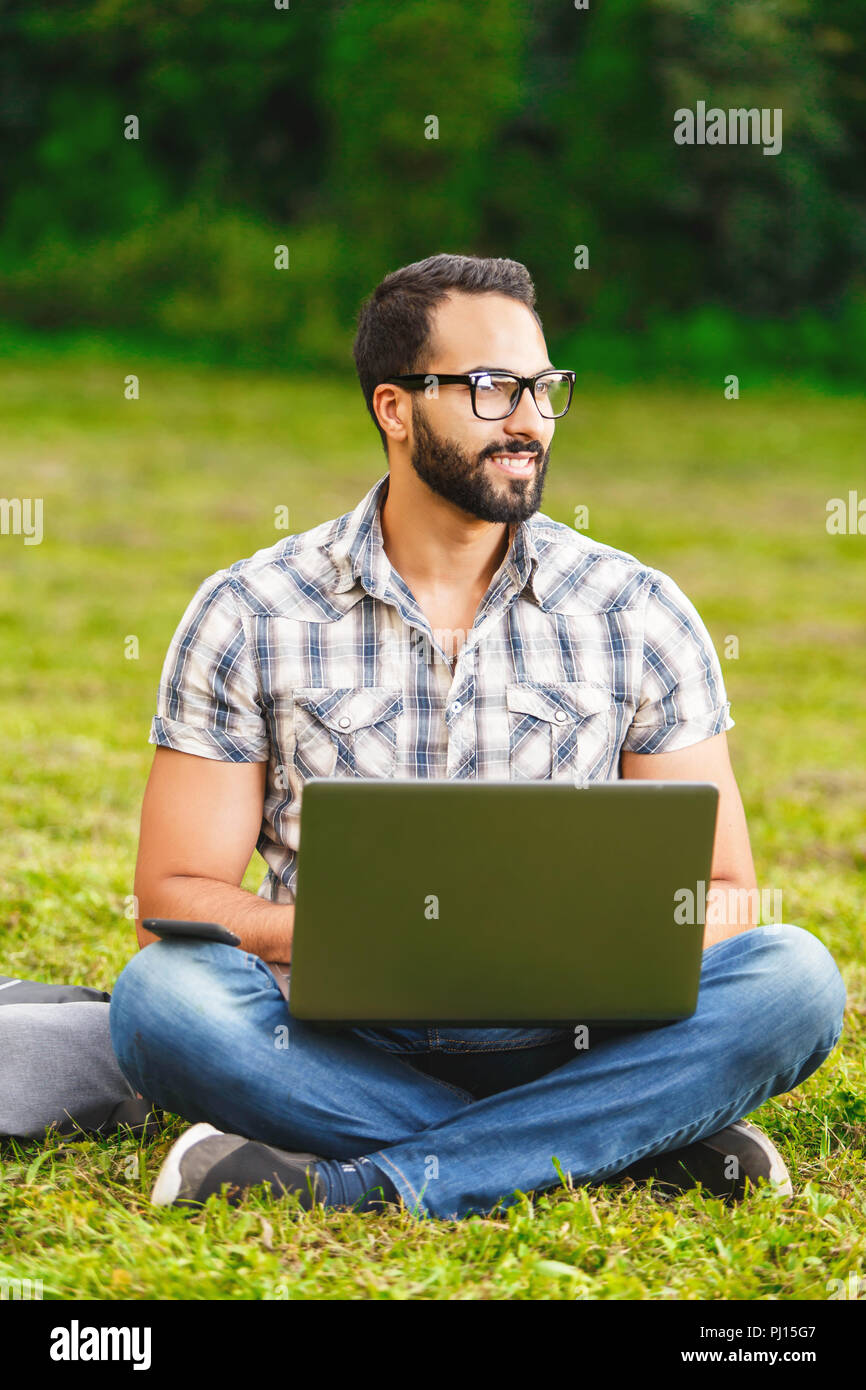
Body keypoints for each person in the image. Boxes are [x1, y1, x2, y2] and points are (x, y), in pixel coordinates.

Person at [108, 253, 846, 1221]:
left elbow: (726, 893)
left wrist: (575, 944)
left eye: (543, 389)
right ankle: (611, 1140)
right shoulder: (250, 610)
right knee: (162, 1001)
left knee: (793, 978)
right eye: (492, 388)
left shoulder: (636, 609)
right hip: (333, 1035)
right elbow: (171, 898)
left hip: (580, 1030)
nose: (530, 419)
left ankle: (372, 1181)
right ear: (394, 408)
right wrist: (350, 940)